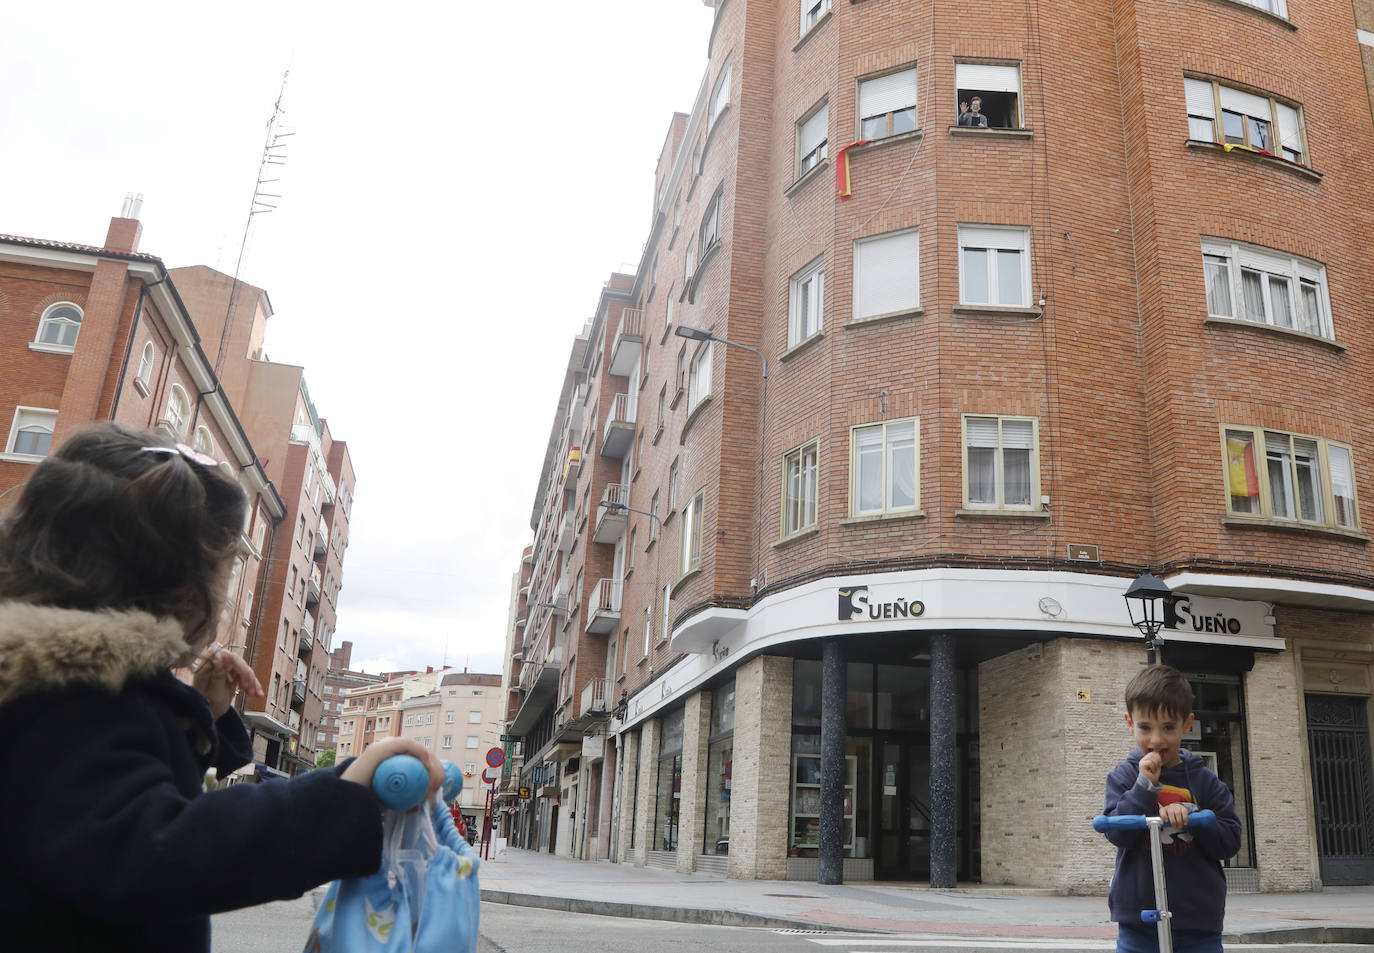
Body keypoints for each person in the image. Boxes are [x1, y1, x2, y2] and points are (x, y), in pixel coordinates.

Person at [0, 423, 444, 953]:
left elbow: (119, 795)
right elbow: (155, 851)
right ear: (184, 594)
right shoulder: (69, 702)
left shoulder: (56, 684)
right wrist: (341, 797)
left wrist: (203, 714)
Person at [1101, 665, 1242, 953]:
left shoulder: (1204, 780)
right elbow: (1116, 831)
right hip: (1138, 920)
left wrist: (1194, 818)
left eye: (1168, 727)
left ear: (1187, 724)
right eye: (1145, 727)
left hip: (1197, 920)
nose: (1156, 740)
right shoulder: (1124, 777)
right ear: (1130, 722)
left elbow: (1230, 841)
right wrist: (1143, 787)